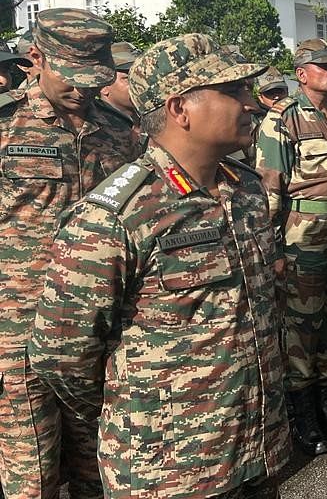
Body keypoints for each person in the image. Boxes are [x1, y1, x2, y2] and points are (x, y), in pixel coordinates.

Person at [29, 33, 290, 499]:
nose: (252, 104)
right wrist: (138, 411)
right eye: (233, 92)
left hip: (256, 449)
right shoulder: (116, 214)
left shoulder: (246, 190)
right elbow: (62, 354)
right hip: (169, 469)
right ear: (179, 108)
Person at [0, 7, 139, 499]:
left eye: (93, 79)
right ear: (35, 58)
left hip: (97, 325)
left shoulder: (120, 132)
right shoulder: (6, 126)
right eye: (72, 77)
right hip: (19, 329)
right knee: (31, 473)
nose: (83, 90)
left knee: (97, 465)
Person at [254, 38, 327, 456]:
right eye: (326, 66)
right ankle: (302, 410)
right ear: (302, 74)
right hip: (303, 231)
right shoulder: (282, 120)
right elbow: (269, 190)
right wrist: (274, 249)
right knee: (302, 322)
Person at [97, 41, 145, 149]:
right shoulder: (93, 129)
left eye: (143, 76)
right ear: (104, 86)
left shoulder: (154, 123)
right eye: (128, 78)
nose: (140, 83)